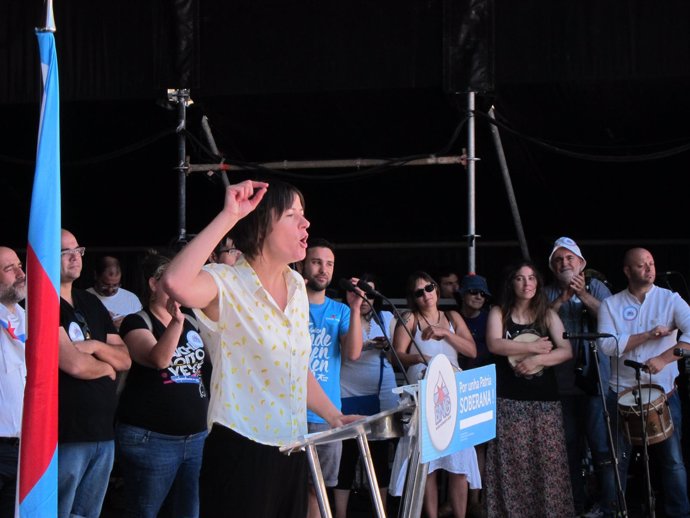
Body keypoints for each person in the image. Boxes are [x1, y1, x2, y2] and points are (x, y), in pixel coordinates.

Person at [160, 178, 360, 518]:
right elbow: (175, 282)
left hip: (291, 446)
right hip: (241, 447)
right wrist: (229, 215)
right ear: (262, 224)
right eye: (292, 214)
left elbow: (296, 368)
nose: (305, 222)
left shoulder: (296, 285)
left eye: (304, 214)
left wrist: (334, 416)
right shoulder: (225, 281)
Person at [598, 247, 690, 517]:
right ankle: (615, 511)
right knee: (616, 462)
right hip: (622, 394)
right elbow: (606, 345)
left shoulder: (670, 299)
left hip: (664, 394)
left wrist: (664, 358)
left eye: (651, 263)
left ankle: (679, 513)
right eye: (642, 265)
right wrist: (648, 335)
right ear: (627, 271)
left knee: (672, 462)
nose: (649, 269)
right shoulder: (611, 304)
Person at [116, 252, 208, 518]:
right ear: (154, 284)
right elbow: (159, 358)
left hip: (195, 438)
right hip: (151, 440)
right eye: (171, 280)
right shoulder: (137, 321)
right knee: (146, 511)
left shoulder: (192, 322)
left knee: (189, 511)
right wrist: (176, 322)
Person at [484, 261, 574, 517]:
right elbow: (494, 344)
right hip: (509, 399)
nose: (527, 284)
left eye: (532, 278)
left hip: (545, 401)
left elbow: (566, 350)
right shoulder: (499, 312)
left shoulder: (547, 314)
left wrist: (538, 360)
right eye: (520, 278)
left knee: (546, 464)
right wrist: (533, 348)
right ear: (511, 283)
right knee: (514, 464)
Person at [393, 271, 480, 518]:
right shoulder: (410, 318)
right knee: (427, 462)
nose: (426, 295)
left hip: (454, 394)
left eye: (429, 288)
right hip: (424, 395)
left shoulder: (451, 317)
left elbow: (472, 350)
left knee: (458, 462)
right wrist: (422, 358)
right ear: (413, 298)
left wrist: (446, 334)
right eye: (419, 292)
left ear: (436, 290)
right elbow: (396, 355)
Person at [58, 229, 131, 518]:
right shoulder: (42, 302)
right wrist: (106, 366)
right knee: (59, 511)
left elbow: (125, 359)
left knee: (89, 514)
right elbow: (74, 364)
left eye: (79, 250)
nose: (76, 256)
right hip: (67, 434)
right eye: (66, 252)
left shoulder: (90, 302)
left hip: (103, 432)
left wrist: (93, 345)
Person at [544, 237, 615, 517]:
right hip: (562, 385)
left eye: (569, 258)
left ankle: (608, 506)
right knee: (568, 450)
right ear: (552, 267)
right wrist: (563, 298)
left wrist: (583, 294)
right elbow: (540, 322)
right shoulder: (548, 292)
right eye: (559, 260)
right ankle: (574, 505)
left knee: (601, 448)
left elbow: (612, 320)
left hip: (596, 380)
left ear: (581, 262)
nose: (565, 264)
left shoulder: (597, 287)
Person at [301, 238, 364, 518]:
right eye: (316, 262)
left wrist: (355, 308)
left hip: (327, 415)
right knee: (285, 486)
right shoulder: (288, 305)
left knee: (318, 489)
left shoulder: (339, 311)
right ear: (302, 264)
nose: (323, 269)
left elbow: (353, 353)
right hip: (287, 413)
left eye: (329, 264)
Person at [333, 273, 399, 518]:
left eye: (370, 293)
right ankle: (340, 514)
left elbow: (396, 356)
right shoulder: (342, 315)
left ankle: (380, 511)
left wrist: (387, 346)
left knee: (380, 456)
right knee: (347, 457)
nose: (365, 298)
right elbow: (343, 349)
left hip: (380, 391)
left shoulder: (386, 317)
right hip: (347, 392)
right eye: (360, 293)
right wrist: (371, 345)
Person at [456, 273, 492, 518]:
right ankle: (457, 501)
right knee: (457, 446)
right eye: (473, 292)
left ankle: (475, 500)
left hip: (483, 384)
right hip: (456, 384)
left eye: (482, 293)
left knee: (479, 446)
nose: (478, 296)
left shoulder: (491, 319)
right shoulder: (453, 318)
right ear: (462, 294)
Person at [0, 247, 26, 518]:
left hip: (25, 450)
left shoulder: (30, 320)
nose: (22, 274)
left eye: (19, 265)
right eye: (10, 269)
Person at [87, 255, 143, 329]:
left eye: (115, 285)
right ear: (96, 276)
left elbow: (142, 327)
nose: (110, 290)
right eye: (105, 285)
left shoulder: (132, 299)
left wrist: (127, 323)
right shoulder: (85, 297)